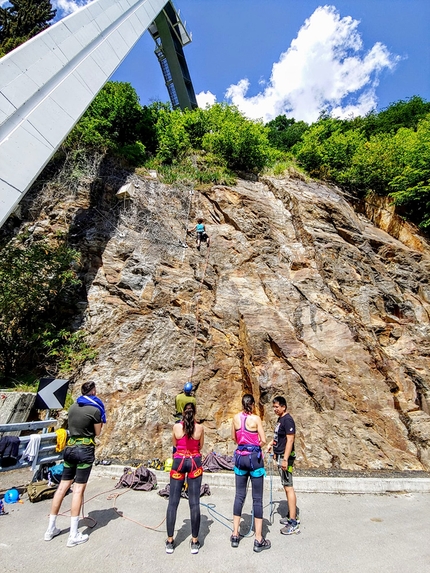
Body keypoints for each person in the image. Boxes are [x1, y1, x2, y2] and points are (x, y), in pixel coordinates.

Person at [44, 381, 104, 547]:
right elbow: (97, 432)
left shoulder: (72, 407)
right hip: (84, 449)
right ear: (92, 392)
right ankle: (73, 535)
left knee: (62, 487)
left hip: (69, 448)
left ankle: (50, 529)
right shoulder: (95, 410)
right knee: (78, 489)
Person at [231, 394, 271, 553]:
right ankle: (258, 538)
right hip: (254, 459)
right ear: (252, 405)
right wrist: (256, 445)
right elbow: (263, 439)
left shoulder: (235, 418)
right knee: (257, 498)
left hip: (241, 457)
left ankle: (235, 534)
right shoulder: (256, 419)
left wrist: (244, 443)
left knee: (239, 495)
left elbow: (234, 437)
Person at [166, 402, 204, 555]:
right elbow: (200, 446)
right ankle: (194, 541)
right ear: (194, 413)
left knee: (173, 503)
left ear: (183, 413)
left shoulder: (176, 427)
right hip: (194, 462)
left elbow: (175, 444)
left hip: (179, 462)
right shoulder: (200, 428)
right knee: (194, 503)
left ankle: (170, 541)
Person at [266, 396, 299, 535]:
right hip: (279, 455)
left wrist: (285, 459)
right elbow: (279, 438)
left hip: (286, 458)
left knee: (288, 487)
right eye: (273, 407)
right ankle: (290, 515)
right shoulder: (280, 420)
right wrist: (271, 445)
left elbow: (290, 440)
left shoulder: (288, 420)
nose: (275, 409)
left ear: (284, 407)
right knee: (286, 487)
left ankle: (293, 522)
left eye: (277, 407)